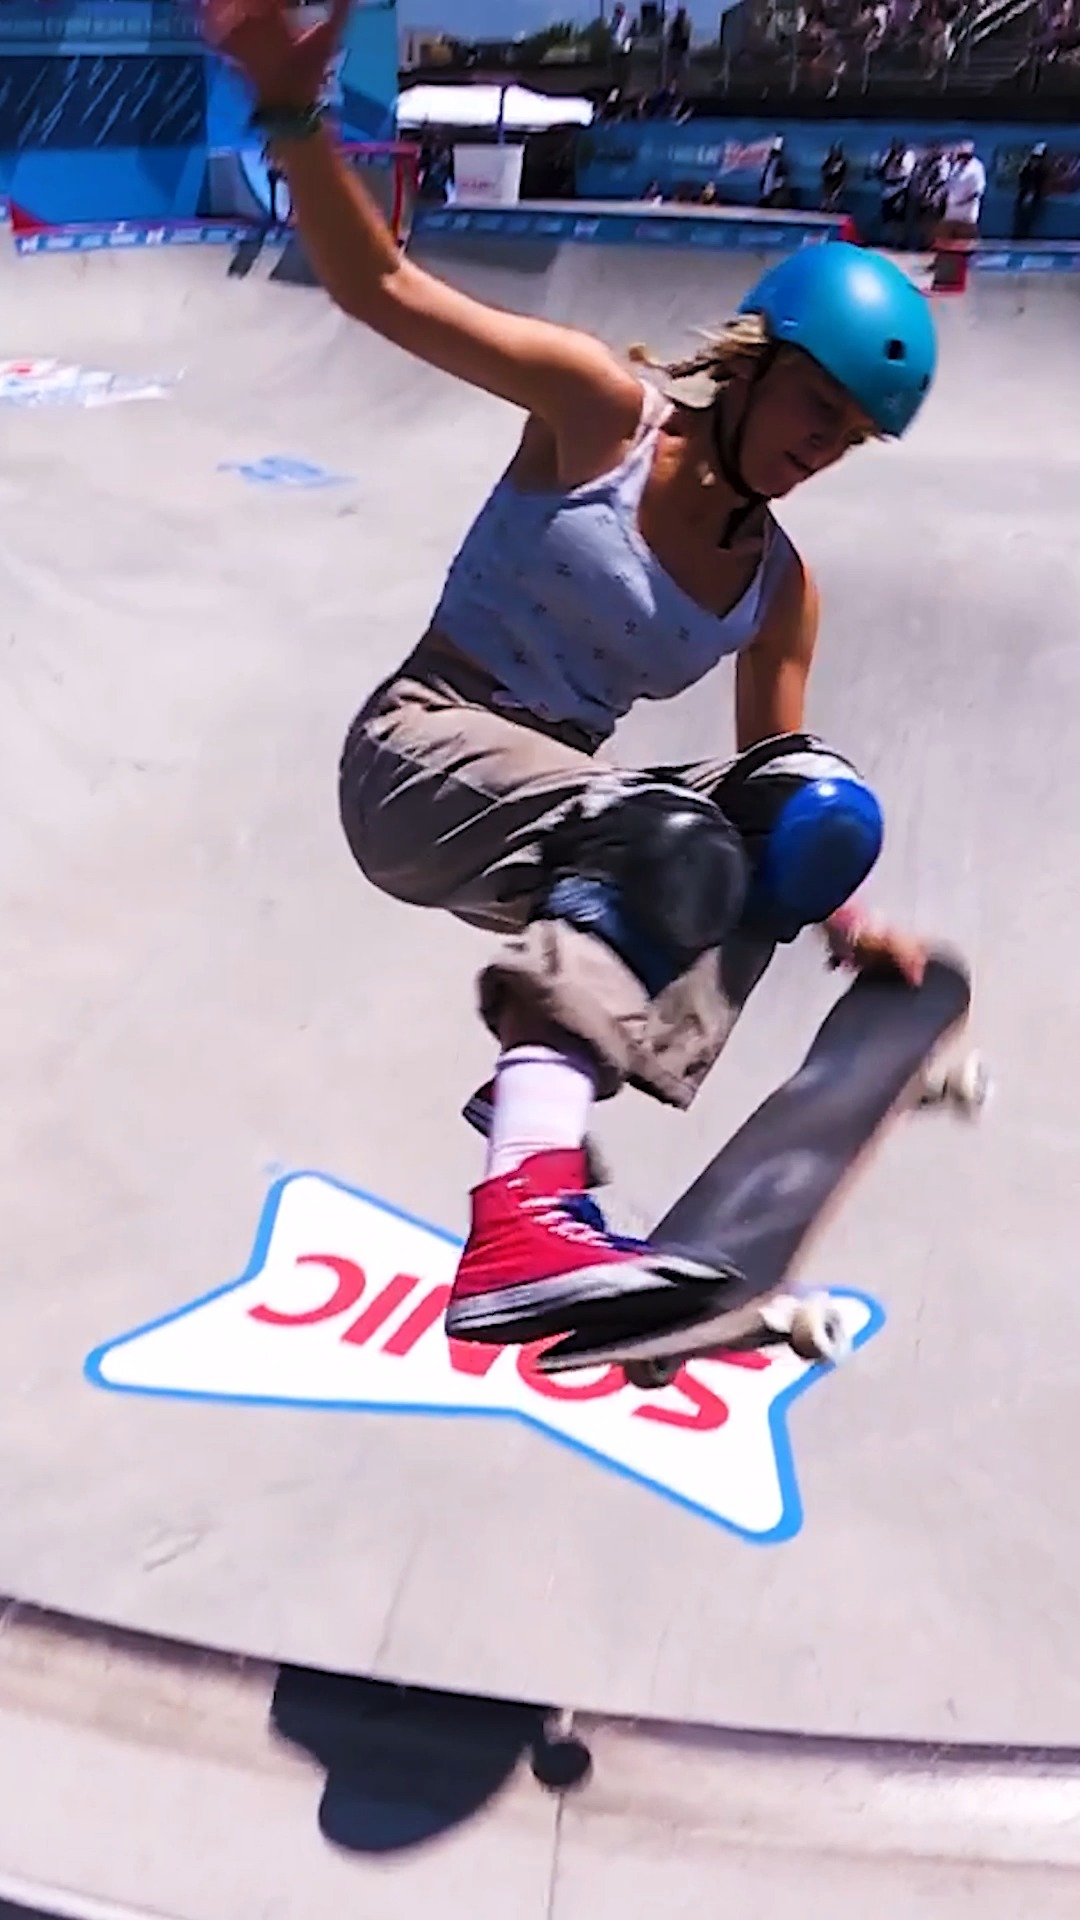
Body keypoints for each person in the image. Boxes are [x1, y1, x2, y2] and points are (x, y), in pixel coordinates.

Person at [204, 0, 938, 1351]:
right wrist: (293, 110)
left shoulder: (780, 588)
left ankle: (550, 1114)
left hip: (555, 811)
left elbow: (767, 780)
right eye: (814, 410)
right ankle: (523, 1216)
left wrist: (847, 925)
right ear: (755, 362)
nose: (820, 449)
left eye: (848, 440)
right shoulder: (600, 413)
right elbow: (381, 291)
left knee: (811, 814)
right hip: (421, 754)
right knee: (667, 839)